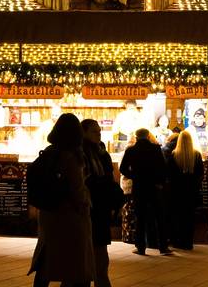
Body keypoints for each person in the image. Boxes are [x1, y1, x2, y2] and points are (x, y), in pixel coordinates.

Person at [28, 113, 95, 286]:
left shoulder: (49, 152)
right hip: (69, 215)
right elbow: (77, 188)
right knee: (73, 262)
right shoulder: (72, 157)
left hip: (49, 212)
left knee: (47, 259)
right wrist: (86, 203)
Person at [81, 118, 122, 287]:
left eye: (99, 131)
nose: (98, 135)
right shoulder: (81, 153)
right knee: (86, 257)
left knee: (100, 257)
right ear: (83, 132)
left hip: (100, 210)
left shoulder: (102, 153)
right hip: (88, 210)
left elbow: (108, 178)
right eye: (94, 132)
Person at [120, 127, 172, 255]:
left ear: (136, 137)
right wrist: (160, 182)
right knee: (159, 217)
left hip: (139, 187)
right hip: (154, 187)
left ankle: (141, 247)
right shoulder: (156, 149)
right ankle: (163, 247)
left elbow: (123, 168)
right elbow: (163, 167)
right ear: (148, 136)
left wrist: (133, 176)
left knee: (140, 217)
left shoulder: (131, 150)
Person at [165, 128, 204, 249]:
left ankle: (178, 241)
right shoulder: (196, 155)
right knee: (190, 217)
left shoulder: (174, 155)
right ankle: (188, 242)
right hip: (191, 192)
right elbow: (200, 174)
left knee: (178, 217)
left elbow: (169, 175)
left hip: (177, 192)